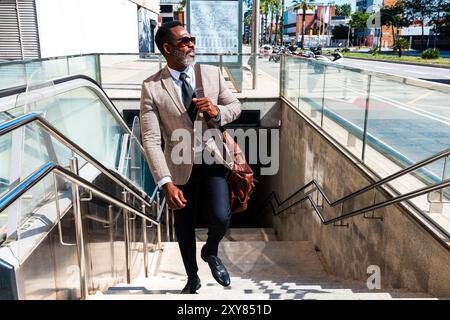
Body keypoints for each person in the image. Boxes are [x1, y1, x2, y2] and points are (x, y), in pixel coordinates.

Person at [139, 21, 241, 294]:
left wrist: (217, 112)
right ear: (167, 48)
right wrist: (165, 182)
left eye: (191, 39)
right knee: (184, 227)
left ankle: (210, 251)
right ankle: (192, 277)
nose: (191, 44)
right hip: (178, 166)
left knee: (220, 217)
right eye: (184, 41)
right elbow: (150, 138)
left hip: (211, 158)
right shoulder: (151, 88)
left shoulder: (211, 74)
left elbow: (235, 106)